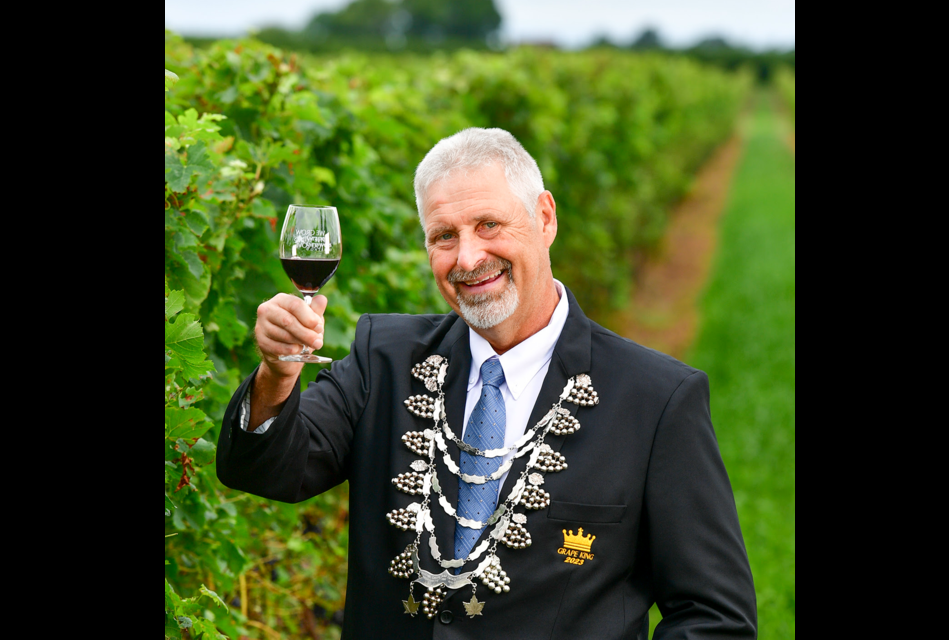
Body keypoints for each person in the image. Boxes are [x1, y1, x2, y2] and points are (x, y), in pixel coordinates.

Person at [217, 128, 757, 639]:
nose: (468, 257)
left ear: (544, 218)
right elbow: (268, 470)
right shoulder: (383, 359)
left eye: (489, 225)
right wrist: (277, 373)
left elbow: (713, 616)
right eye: (444, 236)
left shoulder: (657, 400)